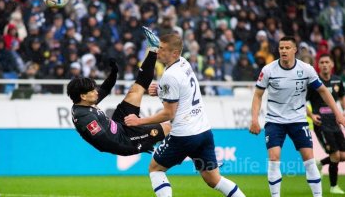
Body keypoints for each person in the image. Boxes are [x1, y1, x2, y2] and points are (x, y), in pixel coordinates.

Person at [124, 33, 246, 197]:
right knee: (213, 179)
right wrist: (160, 90)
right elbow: (182, 90)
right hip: (203, 131)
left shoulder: (170, 76)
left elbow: (169, 113)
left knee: (155, 169)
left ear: (174, 53)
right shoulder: (184, 63)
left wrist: (139, 121)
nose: (158, 52)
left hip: (184, 135)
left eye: (162, 49)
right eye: (159, 48)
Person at [249, 36, 345, 197]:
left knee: (309, 158)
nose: (284, 51)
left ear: (295, 50)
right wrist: (254, 119)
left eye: (287, 48)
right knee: (274, 158)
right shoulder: (268, 70)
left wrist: (338, 114)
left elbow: (323, 91)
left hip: (298, 121)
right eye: (281, 48)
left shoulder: (306, 69)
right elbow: (258, 95)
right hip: (274, 121)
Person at [67, 27, 170, 156]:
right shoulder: (84, 117)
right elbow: (104, 142)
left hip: (119, 123)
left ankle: (153, 48)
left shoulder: (85, 102)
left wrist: (114, 73)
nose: (96, 92)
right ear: (83, 95)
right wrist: (138, 145)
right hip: (124, 140)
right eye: (92, 91)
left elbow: (105, 89)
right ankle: (194, 156)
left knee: (135, 90)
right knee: (168, 127)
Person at [306, 54, 345, 194]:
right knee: (335, 156)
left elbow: (341, 98)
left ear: (332, 64)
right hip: (321, 123)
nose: (324, 64)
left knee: (343, 156)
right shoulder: (314, 82)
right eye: (321, 62)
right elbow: (301, 101)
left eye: (327, 62)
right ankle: (334, 187)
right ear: (318, 65)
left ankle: (320, 163)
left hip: (335, 122)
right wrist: (311, 115)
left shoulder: (337, 80)